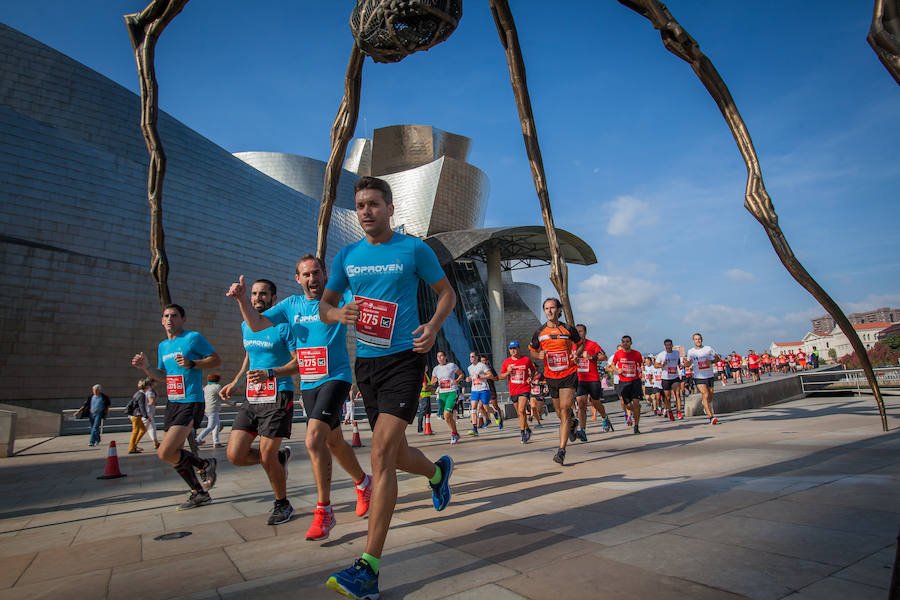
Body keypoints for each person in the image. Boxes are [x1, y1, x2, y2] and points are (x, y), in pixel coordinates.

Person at [320, 176, 455, 598]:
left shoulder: (414, 249)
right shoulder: (347, 255)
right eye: (360, 204)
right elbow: (325, 305)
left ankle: (369, 569)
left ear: (390, 209)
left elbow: (446, 293)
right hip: (367, 365)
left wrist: (433, 326)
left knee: (380, 454)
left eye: (374, 204)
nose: (366, 211)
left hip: (405, 361)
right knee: (394, 454)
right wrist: (338, 314)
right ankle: (437, 472)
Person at [228, 265, 373, 535]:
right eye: (306, 274)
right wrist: (241, 299)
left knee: (313, 439)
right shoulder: (290, 305)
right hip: (308, 383)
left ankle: (324, 512)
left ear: (324, 275)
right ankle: (364, 483)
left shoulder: (337, 296)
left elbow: (366, 303)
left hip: (336, 378)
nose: (312, 278)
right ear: (298, 279)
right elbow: (256, 324)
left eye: (316, 273)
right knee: (334, 442)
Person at [132, 304, 221, 510]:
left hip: (191, 400)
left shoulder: (193, 338)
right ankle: (199, 492)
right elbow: (163, 376)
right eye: (166, 316)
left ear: (183, 319)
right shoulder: (163, 346)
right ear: (162, 321)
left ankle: (205, 464)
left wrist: (192, 364)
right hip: (173, 402)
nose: (170, 319)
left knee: (165, 451)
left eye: (174, 315)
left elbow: (216, 360)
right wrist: (146, 368)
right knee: (174, 454)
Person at [529, 297, 584, 465]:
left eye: (552, 308)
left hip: (568, 373)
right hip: (551, 376)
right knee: (560, 413)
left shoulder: (568, 329)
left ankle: (561, 450)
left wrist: (576, 354)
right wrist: (538, 355)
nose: (549, 311)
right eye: (546, 308)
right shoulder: (539, 332)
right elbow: (532, 350)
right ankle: (573, 424)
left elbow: (580, 344)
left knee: (565, 409)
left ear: (559, 310)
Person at [573, 324, 611, 439]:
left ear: (585, 332)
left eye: (580, 331)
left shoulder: (592, 344)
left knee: (596, 403)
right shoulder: (572, 346)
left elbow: (604, 357)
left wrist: (591, 357)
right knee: (581, 404)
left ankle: (604, 417)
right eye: (576, 331)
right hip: (580, 380)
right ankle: (583, 431)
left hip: (593, 379)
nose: (578, 333)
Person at [498, 341, 538, 443]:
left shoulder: (526, 360)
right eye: (511, 349)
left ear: (519, 348)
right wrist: (508, 372)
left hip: (524, 388)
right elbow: (501, 376)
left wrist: (530, 377)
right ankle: (528, 429)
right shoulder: (507, 362)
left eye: (514, 348)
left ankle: (523, 433)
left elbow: (533, 370)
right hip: (513, 390)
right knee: (520, 414)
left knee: (521, 410)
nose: (513, 350)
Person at [610, 335, 643, 435]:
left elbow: (641, 364)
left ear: (631, 343)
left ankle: (636, 426)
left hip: (635, 381)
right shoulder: (618, 354)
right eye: (623, 342)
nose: (625, 343)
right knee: (628, 405)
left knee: (636, 403)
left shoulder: (636, 353)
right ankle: (634, 411)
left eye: (627, 341)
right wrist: (617, 370)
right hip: (624, 382)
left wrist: (641, 372)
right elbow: (612, 364)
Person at [685, 333, 720, 424]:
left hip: (709, 375)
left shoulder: (708, 349)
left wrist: (712, 361)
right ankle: (711, 417)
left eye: (699, 339)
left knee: (710, 396)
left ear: (702, 339)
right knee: (705, 394)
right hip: (698, 376)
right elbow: (688, 363)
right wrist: (686, 363)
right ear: (693, 341)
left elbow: (717, 359)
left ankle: (705, 405)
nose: (698, 341)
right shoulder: (691, 351)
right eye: (696, 339)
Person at [431, 351, 464, 444]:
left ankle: (453, 434)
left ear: (445, 357)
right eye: (438, 356)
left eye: (441, 356)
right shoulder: (436, 369)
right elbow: (432, 381)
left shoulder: (451, 365)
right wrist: (433, 382)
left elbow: (461, 374)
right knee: (447, 417)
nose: (440, 358)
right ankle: (455, 433)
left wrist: (457, 380)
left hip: (452, 392)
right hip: (442, 393)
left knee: (447, 414)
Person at [465, 351, 494, 437]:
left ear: (477, 357)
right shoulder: (469, 368)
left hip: (483, 389)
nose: (471, 358)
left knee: (486, 408)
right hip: (474, 390)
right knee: (474, 407)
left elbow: (490, 375)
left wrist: (481, 377)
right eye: (470, 357)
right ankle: (475, 429)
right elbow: (472, 376)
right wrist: (469, 378)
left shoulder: (482, 365)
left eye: (473, 357)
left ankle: (495, 413)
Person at [654, 339, 680, 421]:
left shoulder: (676, 353)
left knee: (677, 394)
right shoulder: (661, 355)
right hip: (666, 378)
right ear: (664, 346)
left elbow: (678, 361)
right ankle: (670, 411)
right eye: (667, 345)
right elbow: (655, 365)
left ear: (672, 345)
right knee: (668, 398)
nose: (668, 347)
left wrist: (680, 365)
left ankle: (679, 412)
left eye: (670, 345)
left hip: (675, 376)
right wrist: (662, 365)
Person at [197, 374, 223, 447]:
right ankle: (197, 439)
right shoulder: (217, 387)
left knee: (217, 425)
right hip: (213, 408)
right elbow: (222, 396)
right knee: (211, 426)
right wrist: (232, 402)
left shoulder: (206, 387)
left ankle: (216, 442)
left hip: (206, 408)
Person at [127, 379, 151, 453]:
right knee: (135, 432)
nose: (149, 387)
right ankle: (131, 448)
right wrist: (146, 416)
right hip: (136, 415)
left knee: (143, 430)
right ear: (146, 386)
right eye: (149, 385)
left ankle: (134, 446)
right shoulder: (142, 395)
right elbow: (142, 407)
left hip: (135, 415)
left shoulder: (137, 393)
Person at [480, 355, 504, 429]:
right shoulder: (479, 370)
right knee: (481, 406)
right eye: (482, 361)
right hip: (482, 390)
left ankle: (500, 419)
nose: (483, 362)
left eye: (484, 360)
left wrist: (490, 377)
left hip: (491, 390)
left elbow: (497, 379)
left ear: (487, 361)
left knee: (495, 406)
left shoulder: (490, 369)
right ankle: (487, 420)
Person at [143, 379, 160, 449]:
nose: (156, 383)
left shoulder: (147, 390)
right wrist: (156, 397)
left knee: (151, 428)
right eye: (155, 381)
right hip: (148, 413)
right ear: (152, 383)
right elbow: (151, 402)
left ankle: (156, 443)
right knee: (143, 430)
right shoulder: (151, 391)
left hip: (147, 412)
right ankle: (133, 444)